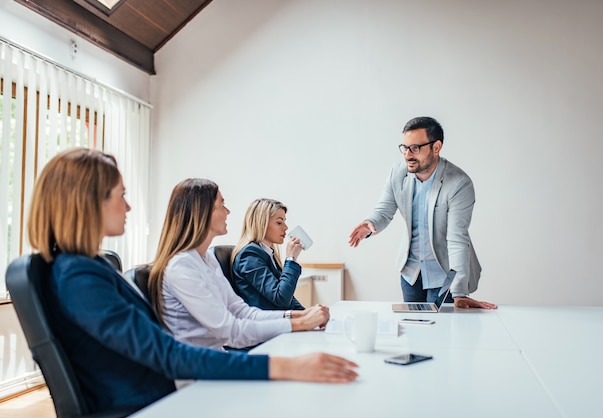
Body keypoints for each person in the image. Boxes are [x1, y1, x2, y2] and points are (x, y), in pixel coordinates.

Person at [27, 148, 358, 415]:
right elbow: (167, 354)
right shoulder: (79, 276)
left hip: (163, 392)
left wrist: (292, 333)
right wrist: (285, 367)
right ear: (88, 201)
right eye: (121, 195)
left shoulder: (91, 266)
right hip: (153, 402)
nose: (128, 205)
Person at [149, 180, 329, 352]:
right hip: (203, 369)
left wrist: (303, 316)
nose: (228, 211)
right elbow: (231, 331)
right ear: (202, 212)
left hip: (221, 355)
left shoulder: (207, 260)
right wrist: (300, 322)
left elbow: (243, 312)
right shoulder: (182, 267)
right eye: (222, 204)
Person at [348, 116, 497, 310]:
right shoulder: (398, 173)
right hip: (410, 273)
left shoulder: (459, 183)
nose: (408, 155)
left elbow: (457, 238)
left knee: (442, 336)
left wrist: (459, 292)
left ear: (436, 147)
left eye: (415, 148)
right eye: (405, 147)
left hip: (444, 274)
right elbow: (384, 209)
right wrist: (371, 222)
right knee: (413, 333)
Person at [232, 198, 306, 311]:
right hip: (267, 323)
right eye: (279, 222)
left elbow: (289, 298)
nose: (285, 227)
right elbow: (281, 298)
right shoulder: (249, 255)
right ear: (262, 223)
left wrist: (306, 314)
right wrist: (291, 259)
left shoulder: (267, 253)